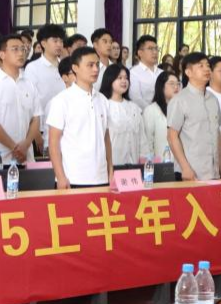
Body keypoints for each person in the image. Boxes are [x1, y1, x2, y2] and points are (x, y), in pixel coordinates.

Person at [48, 47, 112, 189]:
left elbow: (106, 138)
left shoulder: (102, 100)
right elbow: (53, 142)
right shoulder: (62, 100)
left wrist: (110, 170)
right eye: (90, 65)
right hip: (73, 178)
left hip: (101, 178)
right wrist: (60, 177)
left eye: (97, 65)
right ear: (75, 68)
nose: (95, 69)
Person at [0, 35, 42, 167]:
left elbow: (36, 118)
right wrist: (14, 147)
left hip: (26, 157)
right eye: (15, 49)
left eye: (23, 49)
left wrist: (25, 145)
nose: (21, 53)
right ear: (2, 54)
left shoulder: (29, 84)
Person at [167, 52, 221, 181]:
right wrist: (185, 168)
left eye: (208, 66)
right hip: (191, 173)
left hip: (214, 172)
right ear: (188, 72)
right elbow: (172, 137)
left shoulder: (213, 99)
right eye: (201, 66)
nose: (207, 69)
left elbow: (217, 132)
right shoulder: (180, 100)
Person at [99, 64, 143, 166]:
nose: (124, 81)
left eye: (126, 78)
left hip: (133, 165)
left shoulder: (134, 107)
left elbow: (142, 138)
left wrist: (145, 160)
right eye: (119, 78)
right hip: (111, 165)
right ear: (110, 80)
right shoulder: (103, 106)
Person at [25, 24, 68, 118]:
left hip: (66, 121)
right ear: (43, 43)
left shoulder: (67, 67)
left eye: (61, 41)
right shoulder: (33, 68)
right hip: (42, 123)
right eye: (55, 41)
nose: (59, 44)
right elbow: (29, 99)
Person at [141, 70, 179, 160]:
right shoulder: (151, 110)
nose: (176, 87)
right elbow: (147, 143)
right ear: (161, 86)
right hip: (160, 163)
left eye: (178, 84)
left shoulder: (181, 109)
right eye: (172, 84)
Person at [128, 35, 163, 110]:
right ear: (140, 53)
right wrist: (153, 112)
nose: (155, 52)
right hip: (143, 114)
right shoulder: (133, 73)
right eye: (150, 48)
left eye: (156, 49)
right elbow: (136, 98)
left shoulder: (162, 73)